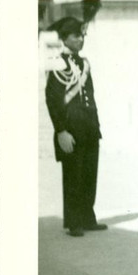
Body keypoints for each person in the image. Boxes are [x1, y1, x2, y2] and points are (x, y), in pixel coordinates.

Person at [45, 17, 106, 237]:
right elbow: (53, 99)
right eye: (76, 36)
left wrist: (96, 126)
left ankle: (87, 217)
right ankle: (73, 221)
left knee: (90, 173)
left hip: (89, 127)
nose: (81, 39)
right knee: (73, 175)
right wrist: (61, 130)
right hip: (71, 128)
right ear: (65, 39)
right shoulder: (57, 64)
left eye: (82, 36)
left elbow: (90, 96)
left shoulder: (84, 63)